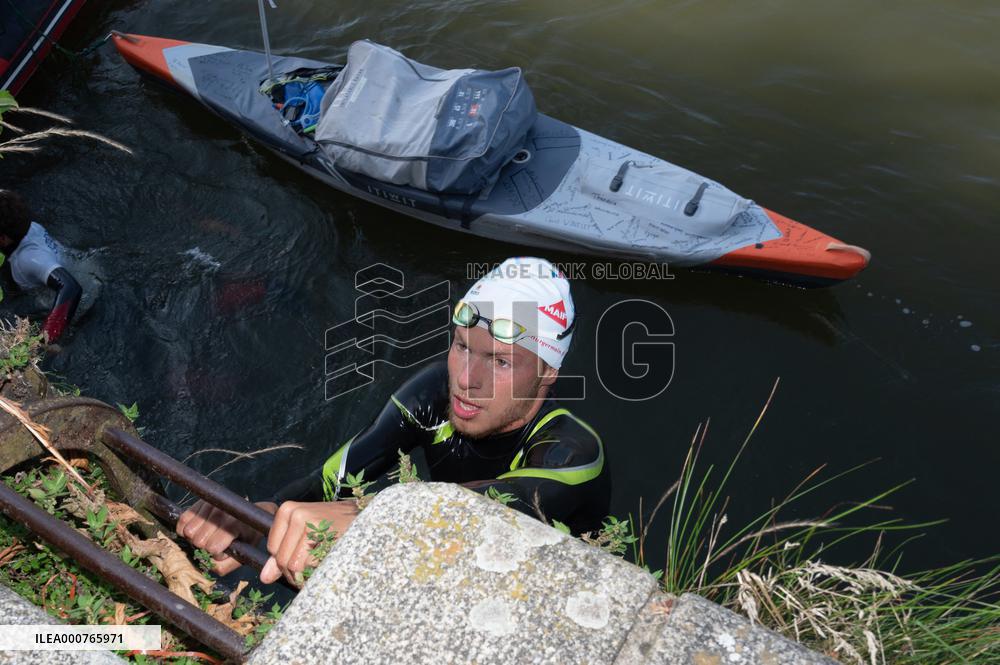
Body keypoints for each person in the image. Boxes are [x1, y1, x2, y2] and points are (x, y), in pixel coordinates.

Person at [178, 257, 610, 585]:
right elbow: (336, 478)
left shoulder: (574, 455)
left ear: (548, 371)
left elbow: (497, 510)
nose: (465, 380)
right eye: (462, 346)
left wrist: (369, 516)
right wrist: (265, 514)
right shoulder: (434, 391)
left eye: (500, 361)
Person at [0, 190, 82, 343]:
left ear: (3, 239)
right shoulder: (25, 225)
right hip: (73, 263)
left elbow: (71, 287)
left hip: (63, 302)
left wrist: (47, 338)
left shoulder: (29, 258)